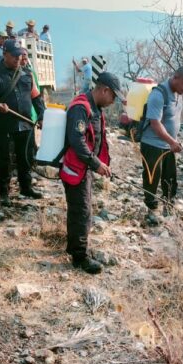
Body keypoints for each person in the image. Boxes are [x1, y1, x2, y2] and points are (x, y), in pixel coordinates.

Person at [61, 72, 122, 274]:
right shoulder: (81, 107)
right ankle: (80, 258)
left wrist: (100, 163)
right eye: (114, 96)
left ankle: (77, 248)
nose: (114, 101)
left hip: (84, 167)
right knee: (81, 211)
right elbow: (77, 140)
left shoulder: (95, 107)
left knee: (82, 209)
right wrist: (96, 164)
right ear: (104, 90)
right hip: (75, 167)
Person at [0, 39, 45, 207]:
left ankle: (26, 188)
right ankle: (4, 193)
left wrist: (42, 116)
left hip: (25, 124)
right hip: (4, 125)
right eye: (14, 56)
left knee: (26, 157)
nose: (18, 59)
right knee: (4, 160)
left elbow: (36, 97)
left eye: (20, 56)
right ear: (5, 54)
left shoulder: (27, 74)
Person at [139, 66, 183, 226]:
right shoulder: (158, 94)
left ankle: (169, 205)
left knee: (170, 177)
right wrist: (171, 141)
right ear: (175, 78)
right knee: (152, 177)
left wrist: (174, 139)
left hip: (168, 144)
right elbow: (155, 123)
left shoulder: (179, 95)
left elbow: (173, 121)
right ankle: (151, 209)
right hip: (152, 144)